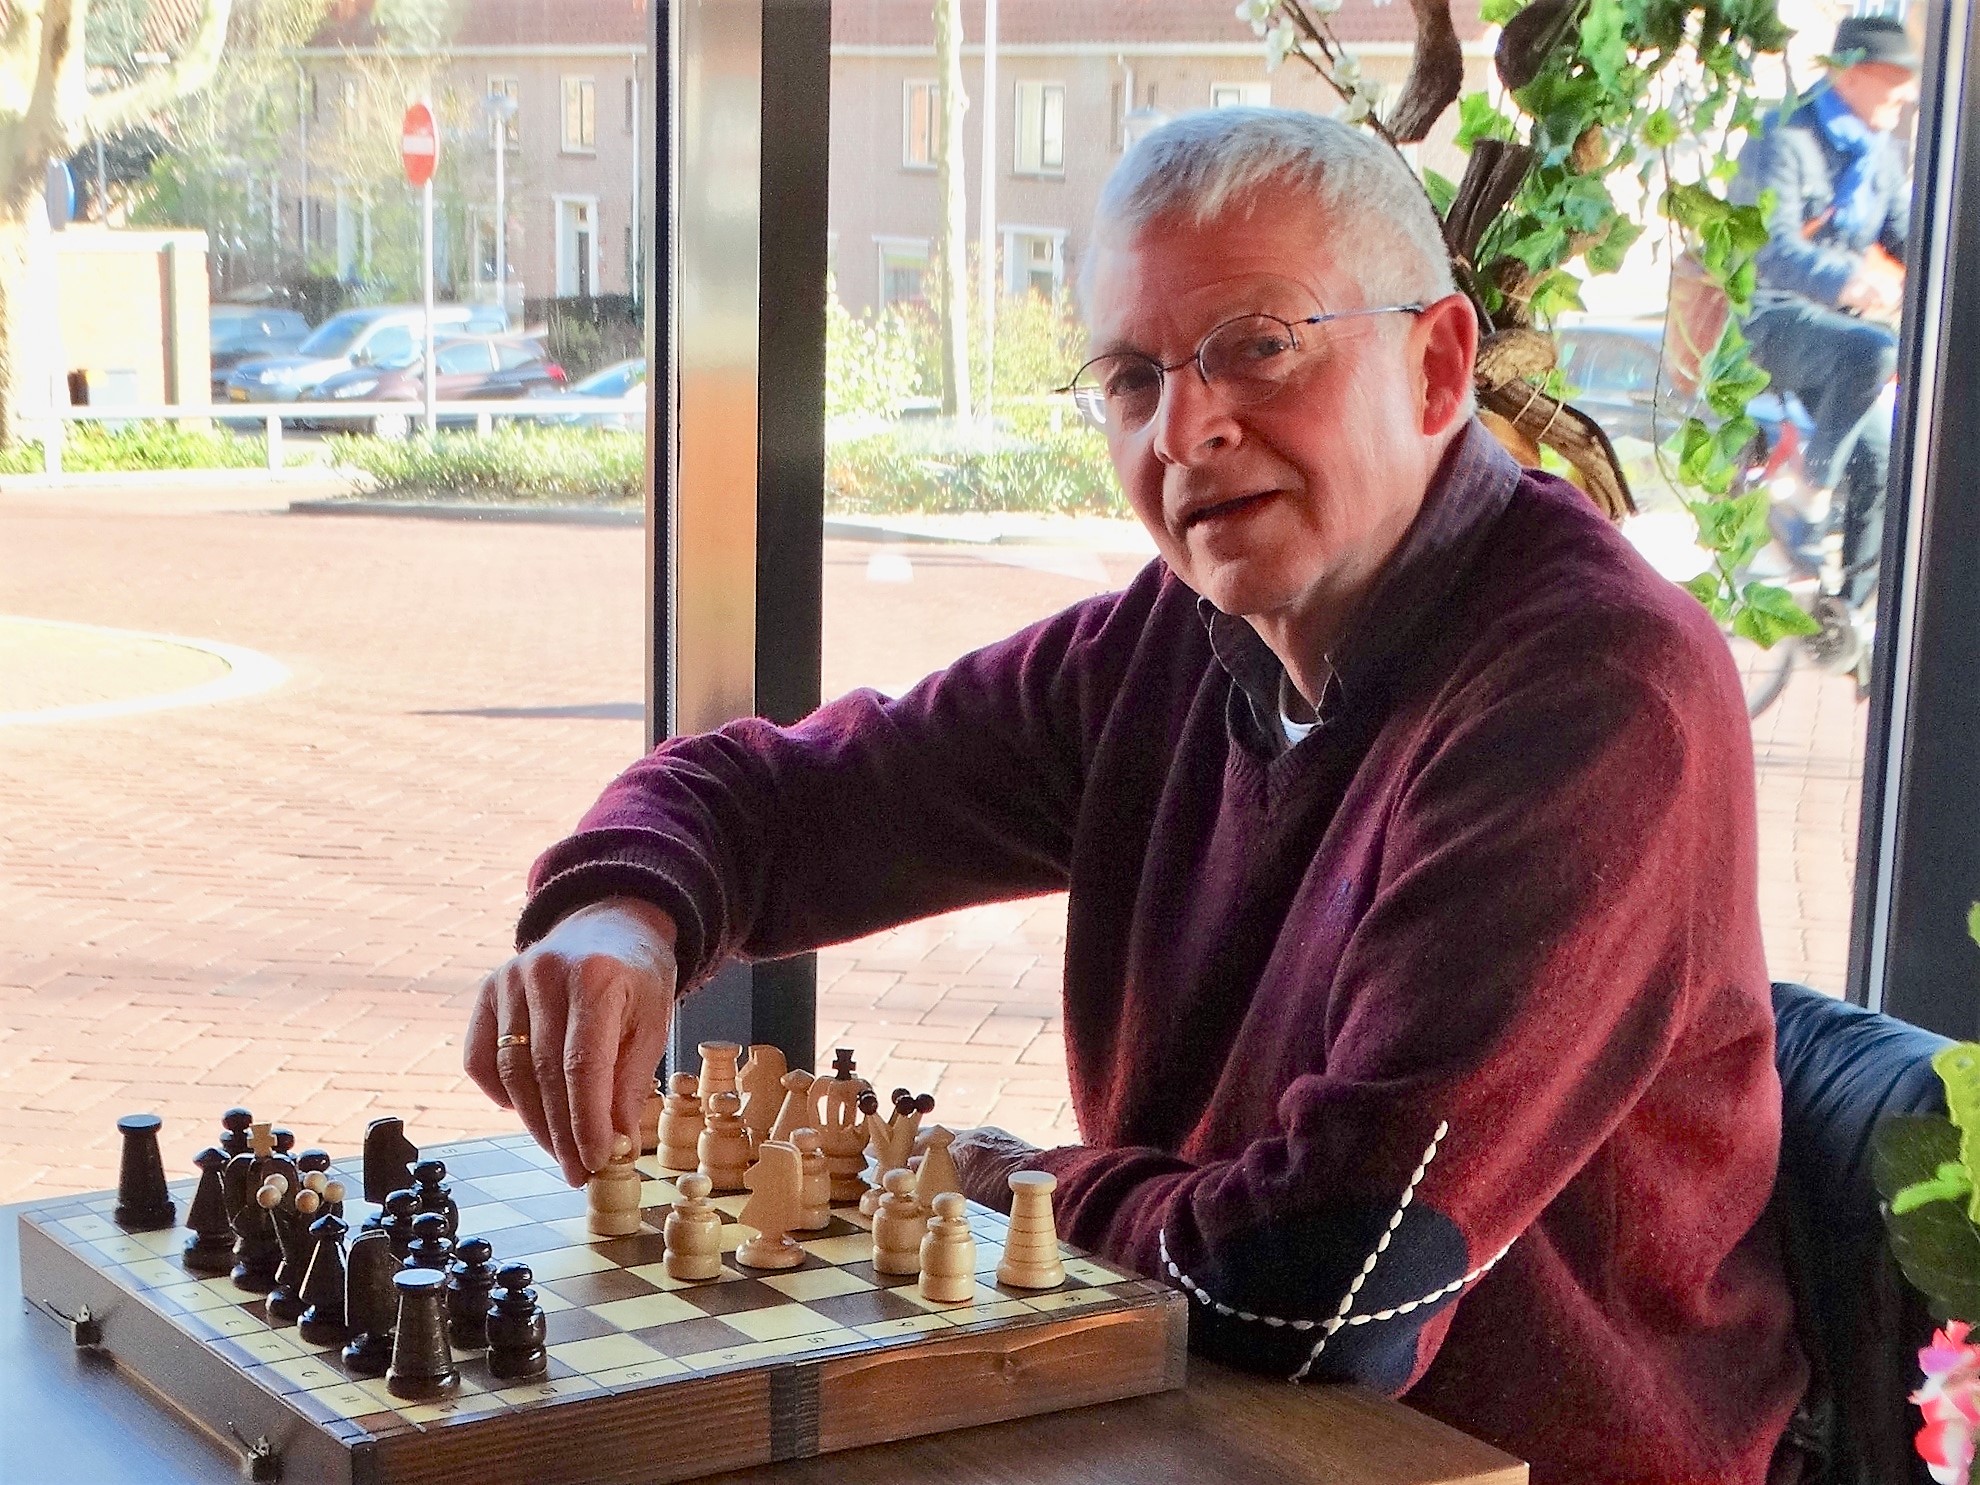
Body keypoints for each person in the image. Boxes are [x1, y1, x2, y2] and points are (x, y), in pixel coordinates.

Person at [464, 110, 1806, 1482]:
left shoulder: (1588, 695)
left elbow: (1327, 1285)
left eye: (1259, 346)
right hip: (1210, 1411)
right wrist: (620, 913)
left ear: (1436, 366)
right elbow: (795, 798)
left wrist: (999, 1188)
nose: (1185, 431)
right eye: (1128, 378)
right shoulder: (1170, 641)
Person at [1731, 15, 1917, 628]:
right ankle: (1813, 484)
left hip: (1834, 335)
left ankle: (1848, 616)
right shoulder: (1786, 138)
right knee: (1874, 351)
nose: (1907, 95)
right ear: (1856, 75)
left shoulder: (1883, 152)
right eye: (1896, 80)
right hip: (1770, 322)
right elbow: (1772, 250)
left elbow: (1904, 236)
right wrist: (1849, 282)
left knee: (1885, 463)